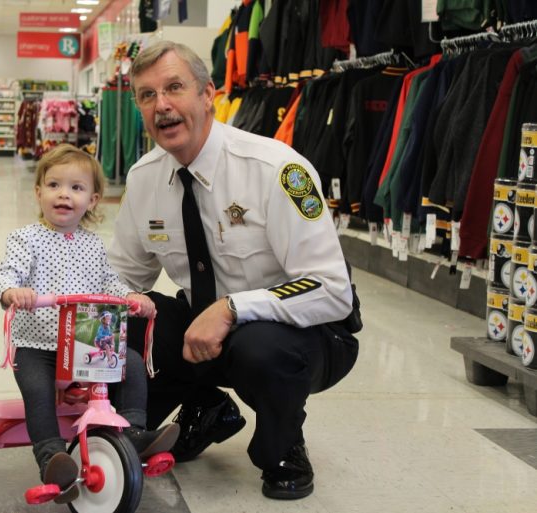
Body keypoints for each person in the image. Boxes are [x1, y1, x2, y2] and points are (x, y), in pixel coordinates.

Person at [108, 41, 361, 500]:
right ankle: (206, 407)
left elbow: (332, 290)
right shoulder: (145, 178)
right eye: (147, 95)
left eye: (174, 88)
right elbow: (120, 278)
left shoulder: (276, 169)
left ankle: (282, 448)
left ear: (207, 95)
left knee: (260, 346)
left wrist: (232, 308)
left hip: (307, 333)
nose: (161, 105)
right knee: (121, 323)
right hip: (202, 330)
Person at [0, 144, 180, 503]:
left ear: (92, 200)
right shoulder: (25, 239)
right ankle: (50, 457)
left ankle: (135, 432)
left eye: (76, 188)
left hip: (84, 340)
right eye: (54, 185)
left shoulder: (94, 245)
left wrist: (132, 298)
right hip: (36, 344)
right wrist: (13, 291)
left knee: (133, 362)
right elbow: (3, 274)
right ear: (39, 192)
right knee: (37, 390)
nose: (64, 194)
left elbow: (110, 281)